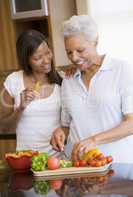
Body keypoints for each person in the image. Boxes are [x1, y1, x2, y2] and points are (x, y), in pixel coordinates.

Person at [50, 15, 133, 163]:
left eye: (80, 50)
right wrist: (60, 132)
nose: (74, 58)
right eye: (69, 52)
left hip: (119, 167)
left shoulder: (121, 70)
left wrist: (95, 140)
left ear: (95, 41)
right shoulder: (68, 80)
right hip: (80, 170)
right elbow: (67, 125)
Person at [0, 29, 62, 157]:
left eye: (47, 53)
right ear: (26, 60)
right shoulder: (13, 81)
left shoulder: (63, 81)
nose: (46, 60)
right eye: (37, 58)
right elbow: (4, 128)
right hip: (27, 160)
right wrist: (20, 108)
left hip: (58, 161)